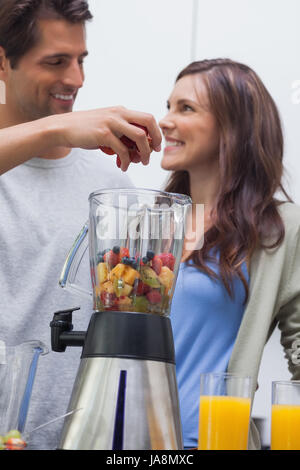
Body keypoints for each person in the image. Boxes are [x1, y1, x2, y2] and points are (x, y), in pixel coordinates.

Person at [0, 0, 161, 450]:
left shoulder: (107, 186)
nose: (76, 79)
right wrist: (55, 129)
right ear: (2, 62)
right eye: (56, 61)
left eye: (80, 60)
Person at [159, 58, 300, 449]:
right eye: (168, 106)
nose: (166, 121)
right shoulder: (151, 224)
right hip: (127, 441)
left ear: (233, 128)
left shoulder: (278, 228)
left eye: (185, 108)